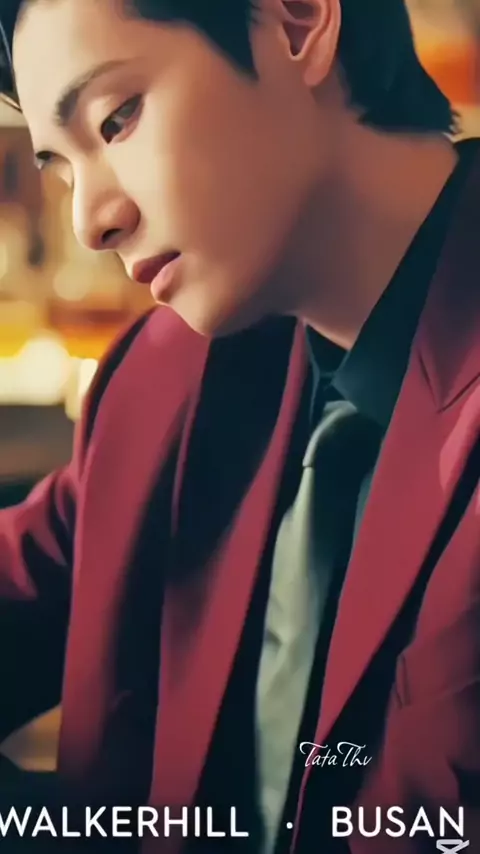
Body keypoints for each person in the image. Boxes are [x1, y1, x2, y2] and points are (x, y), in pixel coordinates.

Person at [0, 0, 479, 851]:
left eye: (117, 118)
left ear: (297, 23)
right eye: (63, 170)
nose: (91, 221)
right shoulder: (163, 380)